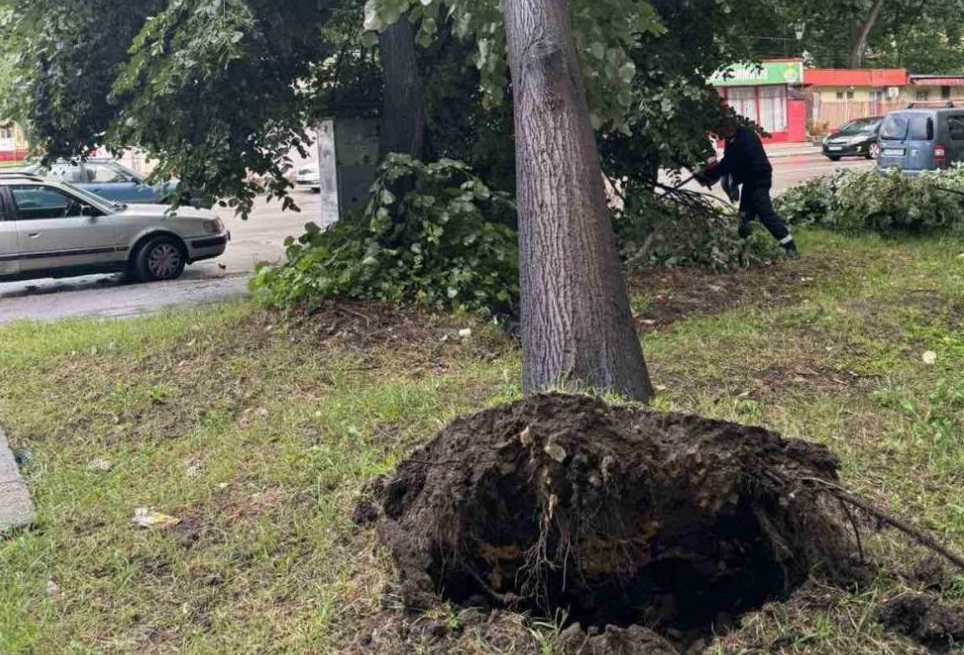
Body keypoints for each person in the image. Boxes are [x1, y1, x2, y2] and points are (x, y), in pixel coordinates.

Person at [697, 118, 798, 256]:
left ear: (728, 127)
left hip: (759, 179)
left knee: (765, 213)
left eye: (720, 131)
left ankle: (789, 247)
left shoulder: (743, 138)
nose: (719, 135)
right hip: (750, 181)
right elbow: (729, 162)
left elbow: (728, 163)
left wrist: (707, 174)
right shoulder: (734, 138)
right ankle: (744, 245)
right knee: (745, 215)